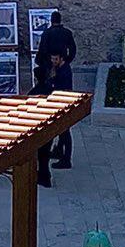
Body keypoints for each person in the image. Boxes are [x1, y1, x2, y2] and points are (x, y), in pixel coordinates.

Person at [39, 11, 77, 167]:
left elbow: (41, 52)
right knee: (61, 126)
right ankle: (59, 150)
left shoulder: (47, 34)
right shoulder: (67, 33)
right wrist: (66, 61)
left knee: (63, 127)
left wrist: (46, 67)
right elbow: (73, 50)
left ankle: (65, 157)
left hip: (55, 79)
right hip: (61, 68)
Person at [31, 50, 60, 187]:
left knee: (41, 154)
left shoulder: (36, 92)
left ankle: (44, 177)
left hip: (40, 127)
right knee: (45, 154)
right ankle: (44, 174)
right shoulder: (50, 88)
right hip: (49, 126)